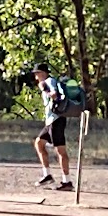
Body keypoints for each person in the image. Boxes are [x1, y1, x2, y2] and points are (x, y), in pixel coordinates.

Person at [32, 62, 73, 191]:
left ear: (42, 73)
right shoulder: (51, 81)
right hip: (51, 121)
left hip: (57, 120)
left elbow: (54, 94)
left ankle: (67, 182)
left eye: (37, 74)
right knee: (39, 143)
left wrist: (45, 90)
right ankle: (47, 175)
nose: (36, 77)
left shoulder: (48, 81)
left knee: (61, 151)